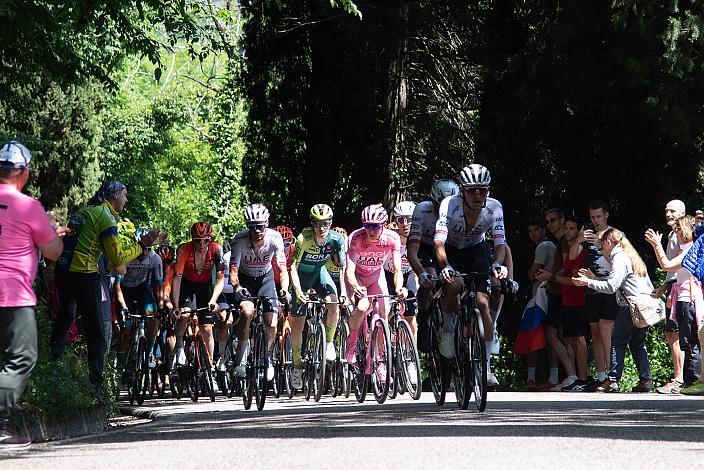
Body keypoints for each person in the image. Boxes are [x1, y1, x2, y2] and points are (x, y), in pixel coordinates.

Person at [51, 180, 161, 396]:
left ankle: (52, 373)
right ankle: (97, 389)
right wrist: (143, 244)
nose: (126, 200)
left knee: (63, 321)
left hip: (63, 273)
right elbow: (118, 261)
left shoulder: (84, 210)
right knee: (97, 333)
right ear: (114, 196)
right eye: (125, 195)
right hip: (84, 275)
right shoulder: (105, 216)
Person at [0, 141, 66, 448]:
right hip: (13, 295)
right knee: (21, 358)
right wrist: (51, 230)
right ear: (23, 173)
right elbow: (53, 251)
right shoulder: (29, 207)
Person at [434, 164, 506, 361]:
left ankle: (487, 365)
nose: (477, 194)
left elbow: (500, 243)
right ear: (462, 190)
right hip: (451, 250)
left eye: (482, 190)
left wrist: (498, 263)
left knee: (483, 302)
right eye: (471, 190)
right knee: (455, 284)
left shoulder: (494, 207)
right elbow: (439, 241)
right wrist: (446, 265)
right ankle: (448, 331)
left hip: (476, 249)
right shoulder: (449, 204)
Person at [573, 228, 654, 392]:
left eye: (602, 247)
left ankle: (612, 380)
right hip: (645, 306)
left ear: (609, 242)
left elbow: (611, 286)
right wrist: (595, 278)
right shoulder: (631, 255)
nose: (602, 251)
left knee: (617, 342)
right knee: (638, 344)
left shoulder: (619, 257)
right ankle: (646, 381)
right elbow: (617, 281)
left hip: (631, 307)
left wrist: (588, 283)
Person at [345, 204, 407, 380]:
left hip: (376, 277)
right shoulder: (356, 238)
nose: (371, 230)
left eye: (375, 226)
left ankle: (380, 360)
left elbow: (397, 269)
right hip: (357, 278)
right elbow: (349, 271)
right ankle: (351, 345)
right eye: (367, 226)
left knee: (384, 311)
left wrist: (399, 288)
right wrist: (355, 287)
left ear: (384, 225)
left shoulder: (392, 238)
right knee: (363, 306)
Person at [288, 204, 346, 390]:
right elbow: (292, 267)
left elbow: (342, 267)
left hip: (320, 274)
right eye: (317, 224)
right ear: (312, 224)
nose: (322, 228)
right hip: (301, 279)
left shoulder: (337, 239)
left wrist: (343, 291)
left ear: (330, 223)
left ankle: (328, 342)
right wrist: (297, 291)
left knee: (333, 301)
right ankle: (297, 366)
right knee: (298, 325)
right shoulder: (302, 238)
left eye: (325, 224)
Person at [229, 205, 290, 380]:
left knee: (271, 322)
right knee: (247, 312)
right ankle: (241, 358)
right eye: (252, 227)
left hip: (266, 278)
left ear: (267, 224)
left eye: (261, 226)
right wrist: (237, 288)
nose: (257, 231)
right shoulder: (239, 239)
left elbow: (282, 268)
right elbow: (233, 271)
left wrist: (284, 290)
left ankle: (267, 357)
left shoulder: (275, 238)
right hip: (246, 279)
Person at [645, 214, 701, 391]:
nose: (675, 233)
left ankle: (694, 380)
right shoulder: (686, 247)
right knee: (687, 341)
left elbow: (666, 265)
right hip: (682, 298)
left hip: (689, 299)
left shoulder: (691, 248)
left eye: (677, 230)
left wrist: (656, 245)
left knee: (691, 342)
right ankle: (691, 380)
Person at [536, 216, 590, 391]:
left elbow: (575, 279)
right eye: (566, 228)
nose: (567, 232)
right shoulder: (567, 245)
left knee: (579, 339)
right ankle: (576, 377)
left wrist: (550, 277)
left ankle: (582, 378)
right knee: (571, 338)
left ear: (580, 230)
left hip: (578, 298)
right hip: (567, 297)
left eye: (572, 229)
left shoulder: (580, 249)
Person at [407, 178, 460, 353]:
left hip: (447, 247)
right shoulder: (422, 210)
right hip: (426, 247)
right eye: (439, 205)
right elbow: (412, 250)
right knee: (430, 277)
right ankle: (424, 316)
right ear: (432, 201)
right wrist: (421, 273)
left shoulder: (460, 211)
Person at [170, 222, 226, 381]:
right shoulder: (184, 249)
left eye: (205, 240)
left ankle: (209, 369)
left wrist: (214, 300)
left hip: (205, 286)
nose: (201, 244)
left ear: (210, 239)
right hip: (187, 285)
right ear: (192, 240)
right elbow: (177, 279)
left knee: (207, 328)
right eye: (197, 240)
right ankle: (179, 348)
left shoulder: (217, 249)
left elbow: (221, 279)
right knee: (184, 314)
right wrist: (175, 305)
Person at [652, 200, 688, 394]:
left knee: (678, 333)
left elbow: (679, 263)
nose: (668, 213)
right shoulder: (672, 233)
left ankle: (680, 378)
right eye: (666, 210)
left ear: (682, 212)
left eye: (672, 210)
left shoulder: (684, 234)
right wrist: (664, 286)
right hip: (673, 286)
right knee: (672, 333)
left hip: (683, 288)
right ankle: (680, 377)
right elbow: (671, 269)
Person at [583, 199, 618, 387]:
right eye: (592, 217)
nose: (595, 221)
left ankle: (613, 376)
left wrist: (599, 245)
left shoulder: (615, 235)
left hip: (609, 287)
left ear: (606, 214)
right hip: (591, 288)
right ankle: (602, 375)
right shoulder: (587, 235)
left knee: (607, 332)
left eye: (598, 216)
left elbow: (619, 261)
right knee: (595, 331)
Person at [539, 208, 575, 391]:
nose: (550, 224)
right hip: (559, 290)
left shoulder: (565, 241)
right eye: (547, 221)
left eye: (553, 220)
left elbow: (568, 268)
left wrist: (550, 277)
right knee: (563, 335)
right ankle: (571, 376)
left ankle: (572, 375)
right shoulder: (561, 241)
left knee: (553, 333)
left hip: (563, 292)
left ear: (562, 220)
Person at [523, 219, 556, 390]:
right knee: (549, 336)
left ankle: (532, 379)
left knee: (536, 335)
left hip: (542, 296)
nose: (533, 233)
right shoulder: (549, 245)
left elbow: (532, 272)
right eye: (530, 231)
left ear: (544, 230)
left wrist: (530, 273)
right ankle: (553, 377)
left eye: (536, 229)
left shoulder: (544, 246)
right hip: (544, 295)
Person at [384, 201, 419, 337]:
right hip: (388, 274)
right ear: (396, 221)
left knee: (411, 318)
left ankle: (412, 354)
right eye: (401, 220)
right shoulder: (389, 237)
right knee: (385, 312)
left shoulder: (418, 238)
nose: (405, 223)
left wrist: (415, 285)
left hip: (408, 274)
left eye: (409, 219)